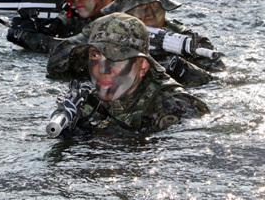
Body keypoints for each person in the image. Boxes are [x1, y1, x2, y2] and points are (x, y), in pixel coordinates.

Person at [47, 0, 223, 87]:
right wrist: (102, 52)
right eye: (138, 6)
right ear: (122, 10)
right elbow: (56, 61)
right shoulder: (104, 30)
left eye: (155, 5)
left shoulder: (187, 41)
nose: (149, 13)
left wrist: (175, 68)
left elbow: (218, 78)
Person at [57, 12, 210, 134]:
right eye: (95, 55)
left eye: (117, 58)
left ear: (143, 66)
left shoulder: (176, 107)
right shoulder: (90, 97)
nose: (102, 70)